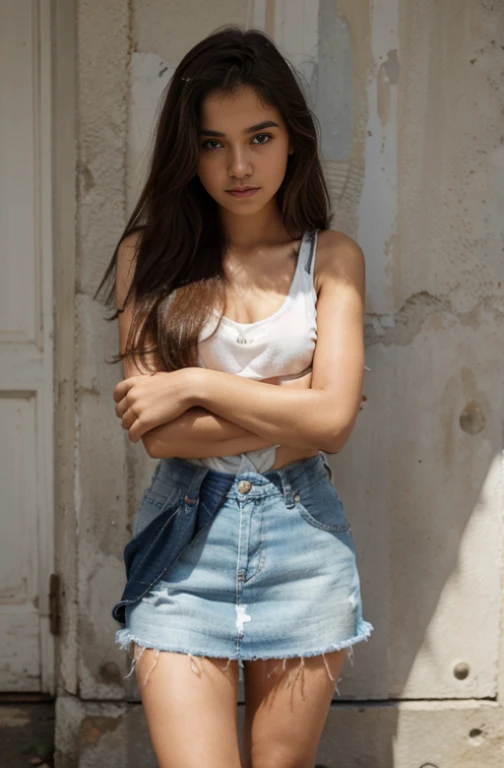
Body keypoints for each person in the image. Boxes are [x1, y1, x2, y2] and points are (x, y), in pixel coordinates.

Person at [95, 24, 373, 768]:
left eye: (259, 136)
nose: (239, 164)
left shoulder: (334, 258)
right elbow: (158, 436)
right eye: (214, 143)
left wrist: (193, 385)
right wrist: (294, 406)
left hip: (302, 541)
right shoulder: (146, 257)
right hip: (183, 547)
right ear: (188, 151)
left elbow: (336, 423)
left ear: (294, 138)